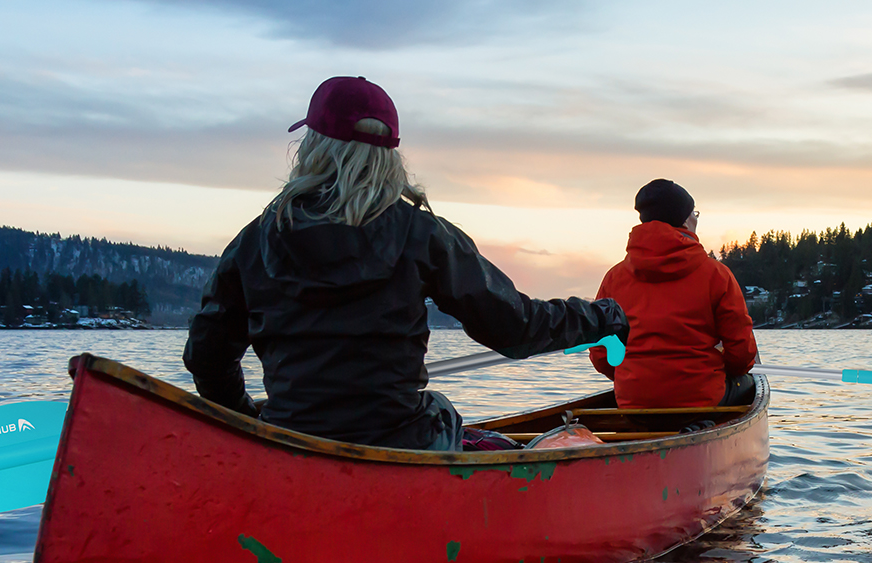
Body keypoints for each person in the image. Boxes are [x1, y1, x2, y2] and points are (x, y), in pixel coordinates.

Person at [183, 76, 627, 451]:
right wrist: (604, 317)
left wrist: (250, 429)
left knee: (441, 415)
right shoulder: (422, 234)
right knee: (448, 417)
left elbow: (207, 357)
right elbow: (517, 328)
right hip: (402, 440)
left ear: (313, 147)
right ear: (389, 155)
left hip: (292, 440)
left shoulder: (254, 240)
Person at [588, 179, 759, 427]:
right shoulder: (716, 274)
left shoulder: (614, 278)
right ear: (685, 219)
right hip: (700, 400)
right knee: (752, 384)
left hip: (634, 402)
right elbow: (742, 354)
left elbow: (600, 354)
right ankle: (703, 432)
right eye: (694, 213)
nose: (696, 219)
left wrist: (632, 378)